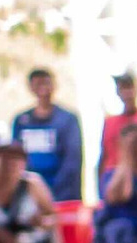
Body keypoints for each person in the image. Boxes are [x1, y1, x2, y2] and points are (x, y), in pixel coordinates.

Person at [10, 68, 83, 205]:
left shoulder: (67, 119)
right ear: (31, 87)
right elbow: (15, 156)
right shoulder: (21, 121)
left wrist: (58, 191)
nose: (43, 88)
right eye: (38, 84)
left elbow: (72, 159)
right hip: (29, 195)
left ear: (54, 85)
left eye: (46, 83)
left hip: (62, 193)